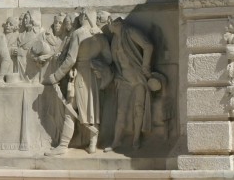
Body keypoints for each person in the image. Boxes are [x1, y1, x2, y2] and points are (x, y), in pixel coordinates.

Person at [43, 9, 113, 155]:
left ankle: (63, 146)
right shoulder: (100, 35)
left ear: (83, 18)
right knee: (92, 110)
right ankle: (93, 145)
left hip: (80, 75)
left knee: (70, 110)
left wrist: (55, 77)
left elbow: (71, 60)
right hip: (94, 77)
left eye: (80, 16)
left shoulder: (78, 33)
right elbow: (109, 59)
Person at [107, 18, 155, 150]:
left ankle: (136, 139)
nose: (107, 26)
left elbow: (148, 46)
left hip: (138, 76)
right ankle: (116, 141)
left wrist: (145, 66)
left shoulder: (130, 32)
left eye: (107, 23)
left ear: (112, 22)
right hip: (124, 78)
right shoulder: (115, 39)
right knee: (121, 111)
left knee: (139, 109)